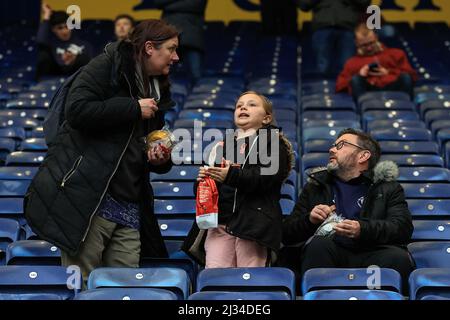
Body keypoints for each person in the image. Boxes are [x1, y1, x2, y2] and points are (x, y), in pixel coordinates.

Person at [24, 19, 180, 286]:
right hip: (89, 200)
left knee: (125, 287)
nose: (176, 57)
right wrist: (132, 107)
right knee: (81, 285)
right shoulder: (106, 64)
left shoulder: (156, 86)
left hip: (130, 203)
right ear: (150, 48)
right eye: (172, 49)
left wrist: (161, 159)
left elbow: (146, 142)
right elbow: (77, 110)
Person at [282, 128, 414, 292]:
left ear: (363, 156)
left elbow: (402, 227)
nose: (331, 149)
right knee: (317, 246)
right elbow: (287, 233)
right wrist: (309, 220)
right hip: (330, 251)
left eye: (341, 145)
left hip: (372, 251)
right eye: (333, 145)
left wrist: (362, 229)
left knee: (397, 257)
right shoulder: (316, 186)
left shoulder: (388, 188)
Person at [183, 91, 294, 268]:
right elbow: (205, 190)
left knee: (249, 281)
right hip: (219, 225)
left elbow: (266, 177)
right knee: (216, 281)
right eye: (239, 105)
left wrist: (230, 175)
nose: (243, 107)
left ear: (266, 119)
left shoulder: (273, 143)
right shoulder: (221, 146)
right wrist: (202, 182)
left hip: (253, 227)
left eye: (252, 104)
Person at [336, 24, 418, 101]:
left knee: (405, 77)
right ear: (356, 43)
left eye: (371, 43)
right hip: (367, 93)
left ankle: (406, 107)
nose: (369, 48)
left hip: (393, 88)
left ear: (376, 38)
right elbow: (340, 86)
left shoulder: (396, 54)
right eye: (364, 45)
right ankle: (362, 110)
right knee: (355, 80)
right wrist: (360, 76)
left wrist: (389, 72)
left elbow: (412, 76)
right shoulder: (351, 63)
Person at [296, 0, 370, 77]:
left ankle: (344, 87)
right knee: (322, 68)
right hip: (322, 27)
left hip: (348, 28)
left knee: (347, 68)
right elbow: (304, 5)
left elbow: (364, 3)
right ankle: (322, 88)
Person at [154, 0, 207, 84]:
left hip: (192, 36)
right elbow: (158, 3)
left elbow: (196, 5)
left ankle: (198, 97)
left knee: (196, 73)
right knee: (165, 73)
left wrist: (169, 6)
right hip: (169, 34)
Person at [36, 2, 93, 79]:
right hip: (51, 82)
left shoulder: (84, 45)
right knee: (43, 55)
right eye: (60, 28)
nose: (65, 31)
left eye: (67, 26)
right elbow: (40, 40)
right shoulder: (49, 44)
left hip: (77, 81)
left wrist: (74, 60)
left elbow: (90, 69)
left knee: (84, 59)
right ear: (53, 30)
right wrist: (46, 16)